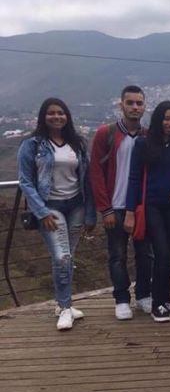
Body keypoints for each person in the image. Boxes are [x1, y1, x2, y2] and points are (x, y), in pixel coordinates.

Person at [17, 98, 95, 330]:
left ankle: (64, 304)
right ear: (43, 116)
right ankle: (64, 307)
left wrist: (90, 214)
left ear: (67, 116)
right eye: (51, 113)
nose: (56, 117)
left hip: (76, 205)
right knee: (62, 257)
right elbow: (25, 181)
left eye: (61, 113)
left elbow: (87, 180)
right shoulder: (32, 144)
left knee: (68, 256)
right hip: (50, 207)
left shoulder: (77, 143)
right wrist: (41, 212)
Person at [88, 85, 153, 321]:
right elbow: (95, 172)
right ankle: (122, 299)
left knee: (145, 254)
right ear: (121, 105)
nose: (135, 107)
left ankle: (144, 294)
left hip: (140, 207)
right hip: (114, 206)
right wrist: (104, 208)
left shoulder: (148, 136)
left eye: (139, 103)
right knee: (117, 255)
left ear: (144, 106)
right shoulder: (106, 134)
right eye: (130, 103)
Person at [124, 101, 170, 322]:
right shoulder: (143, 143)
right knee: (161, 252)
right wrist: (130, 211)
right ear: (158, 119)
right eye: (167, 118)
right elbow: (134, 178)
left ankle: (165, 300)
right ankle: (157, 304)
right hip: (150, 205)